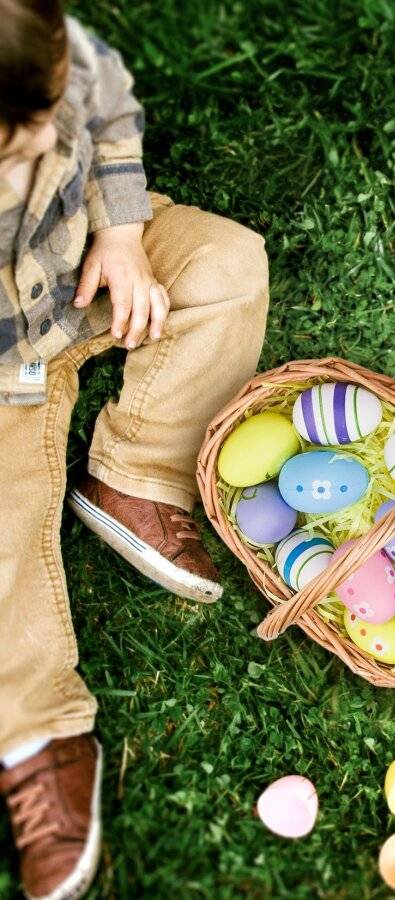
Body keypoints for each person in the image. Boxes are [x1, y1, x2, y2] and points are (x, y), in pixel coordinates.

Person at [0, 2, 269, 897]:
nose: (40, 147)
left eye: (43, 123)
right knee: (2, 545)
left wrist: (120, 230)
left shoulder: (46, 52)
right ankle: (35, 731)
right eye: (13, 152)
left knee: (229, 271)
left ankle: (136, 471)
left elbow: (107, 107)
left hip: (86, 272)